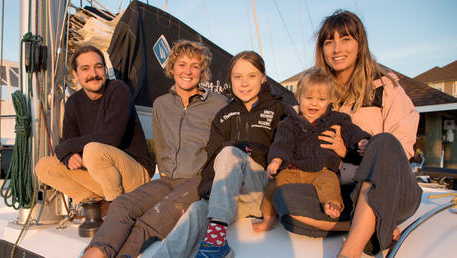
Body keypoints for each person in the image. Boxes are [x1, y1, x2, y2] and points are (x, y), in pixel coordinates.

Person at [271, 10, 422, 257]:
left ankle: (349, 250)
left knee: (384, 142)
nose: (337, 48)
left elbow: (400, 150)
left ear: (360, 43)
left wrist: (349, 152)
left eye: (346, 39)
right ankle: (368, 227)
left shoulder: (386, 88)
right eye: (329, 42)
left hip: (390, 189)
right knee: (284, 199)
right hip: (341, 192)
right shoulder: (316, 94)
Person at [81, 40, 227, 258]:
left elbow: (226, 147)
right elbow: (160, 142)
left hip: (198, 179)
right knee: (122, 204)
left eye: (195, 66)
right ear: (172, 68)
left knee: (156, 215)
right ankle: (94, 254)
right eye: (182, 64)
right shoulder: (161, 104)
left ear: (202, 71)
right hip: (167, 178)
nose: (188, 71)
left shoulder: (218, 104)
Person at [153, 50, 286, 258]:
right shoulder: (224, 115)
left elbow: (287, 147)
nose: (244, 83)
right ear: (230, 80)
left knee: (230, 152)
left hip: (263, 190)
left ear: (263, 77)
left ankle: (215, 242)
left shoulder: (279, 110)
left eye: (251, 76)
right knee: (197, 208)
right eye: (237, 77)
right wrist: (208, 192)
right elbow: (212, 160)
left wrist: (244, 151)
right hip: (232, 198)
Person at [253, 67, 371, 233]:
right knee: (273, 186)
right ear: (299, 97)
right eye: (309, 98)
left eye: (321, 99)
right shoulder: (289, 123)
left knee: (330, 184)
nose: (314, 103)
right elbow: (282, 143)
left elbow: (352, 131)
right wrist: (276, 159)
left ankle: (333, 204)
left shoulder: (336, 119)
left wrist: (363, 140)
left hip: (322, 170)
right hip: (294, 170)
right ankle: (268, 220)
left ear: (329, 100)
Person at [35, 45, 154, 205]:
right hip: (100, 174)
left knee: (93, 150)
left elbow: (111, 138)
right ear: (76, 74)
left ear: (105, 70)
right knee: (44, 167)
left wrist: (65, 147)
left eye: (99, 67)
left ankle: (118, 211)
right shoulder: (74, 102)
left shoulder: (118, 90)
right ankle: (96, 206)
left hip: (136, 174)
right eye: (85, 69)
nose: (94, 74)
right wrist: (68, 156)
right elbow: (68, 140)